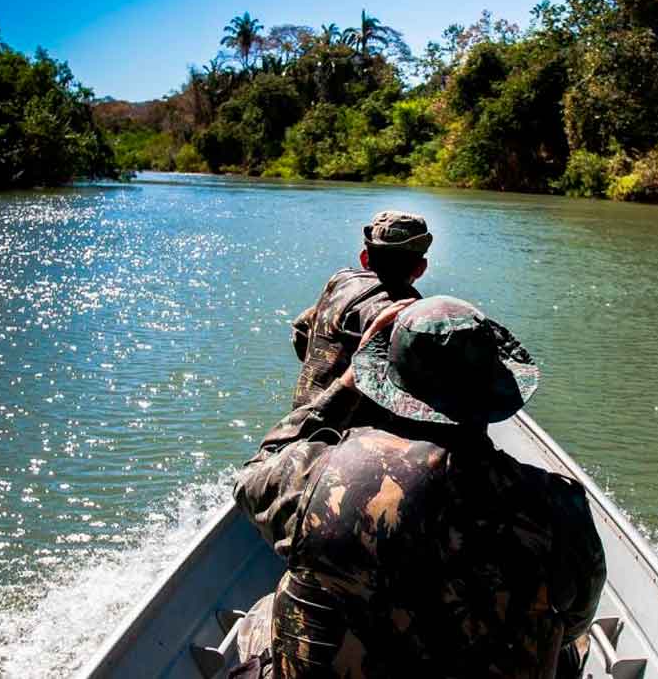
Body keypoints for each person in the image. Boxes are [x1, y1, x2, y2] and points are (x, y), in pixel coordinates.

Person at [234, 296, 606, 678]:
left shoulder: (318, 477)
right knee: (572, 643)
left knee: (262, 616)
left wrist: (344, 386)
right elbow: (576, 618)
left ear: (384, 385)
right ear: (495, 392)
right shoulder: (558, 507)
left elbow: (254, 476)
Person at [290, 210, 432, 410]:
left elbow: (301, 330)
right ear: (421, 268)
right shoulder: (404, 313)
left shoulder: (342, 280)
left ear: (364, 258)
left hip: (298, 419)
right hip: (346, 432)